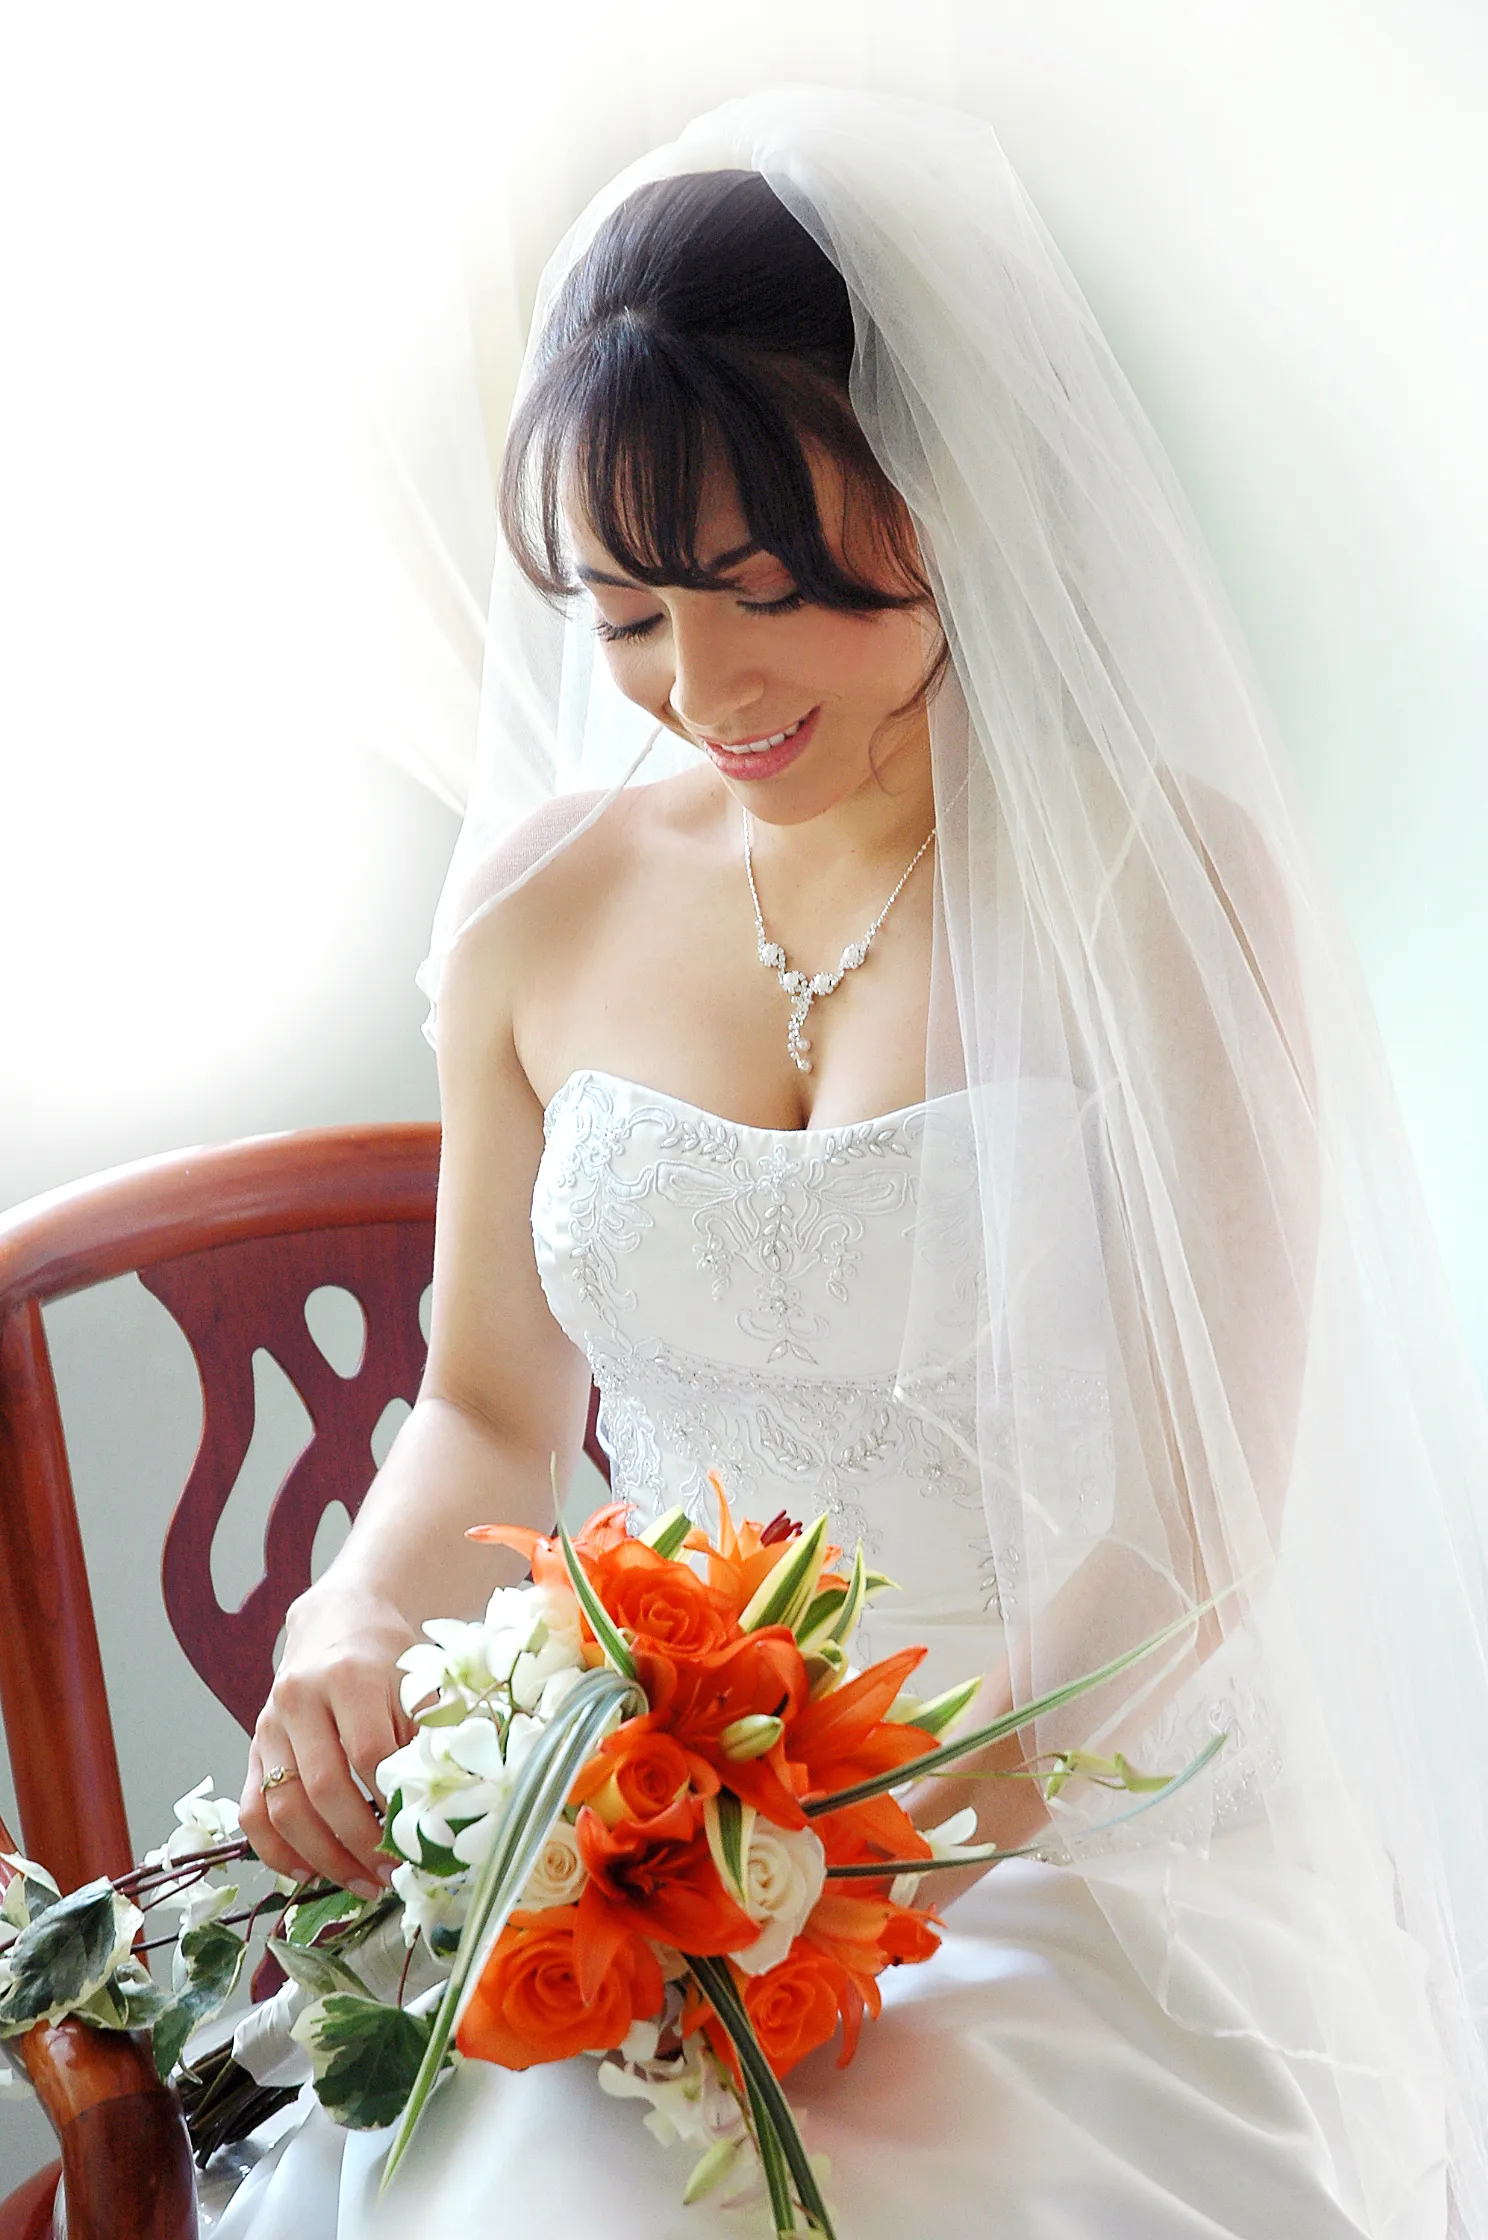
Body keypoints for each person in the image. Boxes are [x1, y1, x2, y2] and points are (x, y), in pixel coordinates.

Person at [219, 88, 1488, 2237]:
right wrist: (352, 1614)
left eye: (757, 590)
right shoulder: (536, 911)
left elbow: (1185, 1540)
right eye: (624, 615)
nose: (701, 687)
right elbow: (491, 1408)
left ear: (944, 498)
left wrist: (851, 1849)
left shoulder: (1164, 888)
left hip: (1074, 1824)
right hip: (652, 1828)